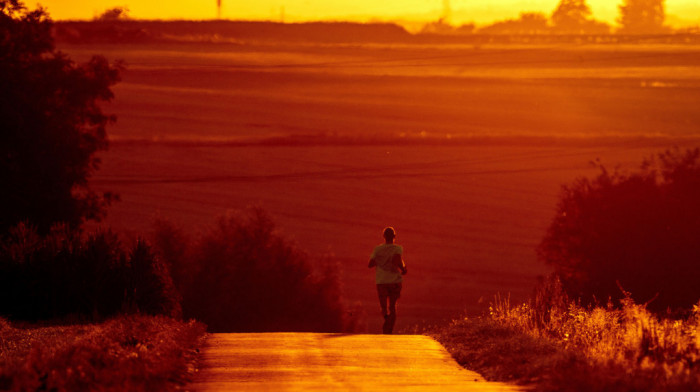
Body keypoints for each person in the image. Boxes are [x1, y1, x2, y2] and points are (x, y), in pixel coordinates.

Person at [368, 227, 407, 334]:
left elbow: (370, 264)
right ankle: (389, 328)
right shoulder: (397, 248)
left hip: (381, 281)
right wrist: (403, 269)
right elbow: (398, 260)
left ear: (383, 237)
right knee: (393, 306)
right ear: (394, 237)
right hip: (394, 281)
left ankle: (387, 320)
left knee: (384, 307)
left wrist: (381, 260)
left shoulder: (378, 250)